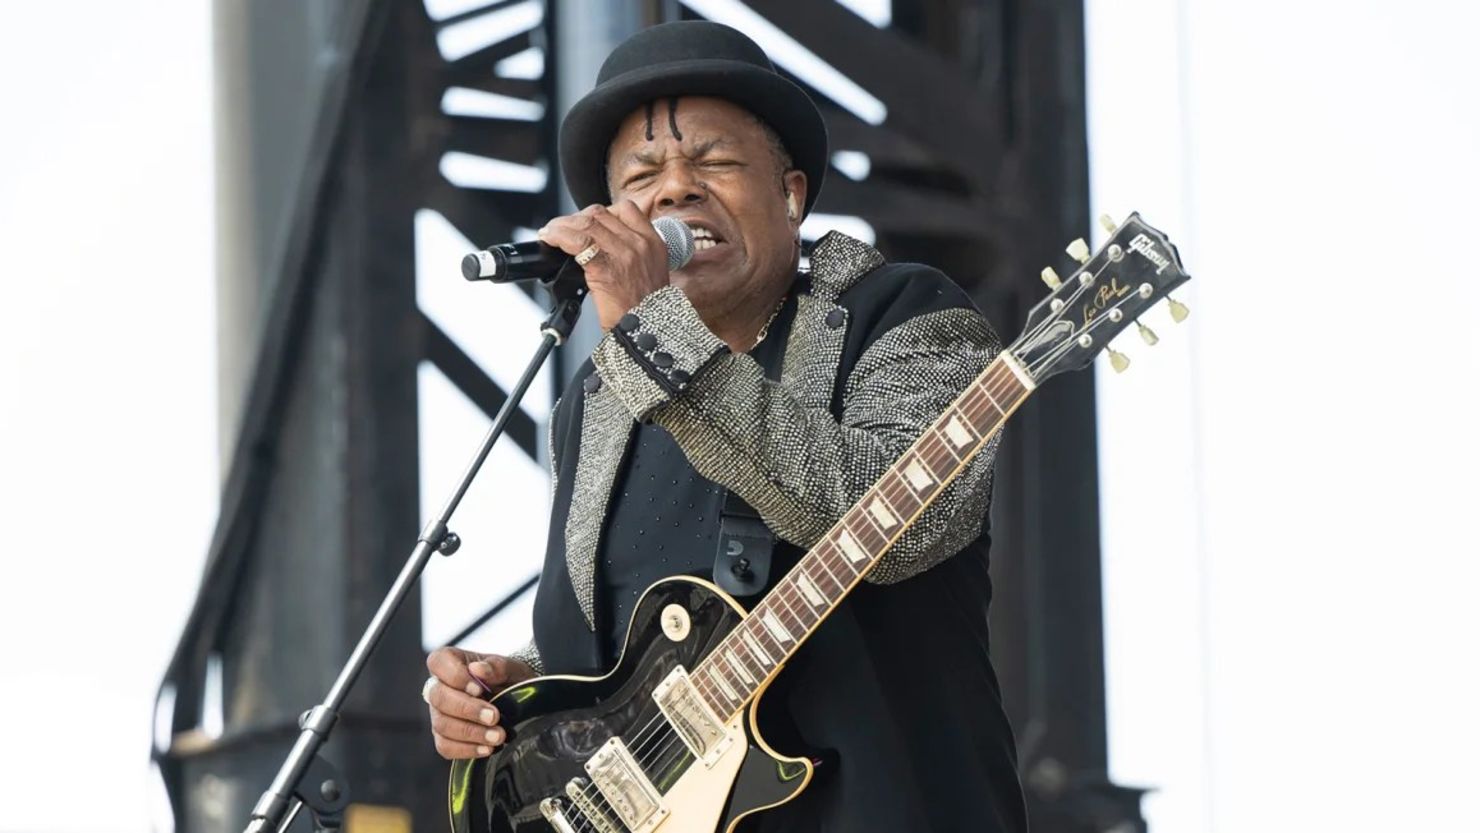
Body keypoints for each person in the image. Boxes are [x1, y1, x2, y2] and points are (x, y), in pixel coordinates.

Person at [422, 20, 1027, 832]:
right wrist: (515, 688)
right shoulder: (598, 403)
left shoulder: (904, 316)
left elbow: (889, 520)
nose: (674, 189)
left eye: (714, 162)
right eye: (642, 175)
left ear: (792, 194)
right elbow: (632, 650)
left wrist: (658, 338)